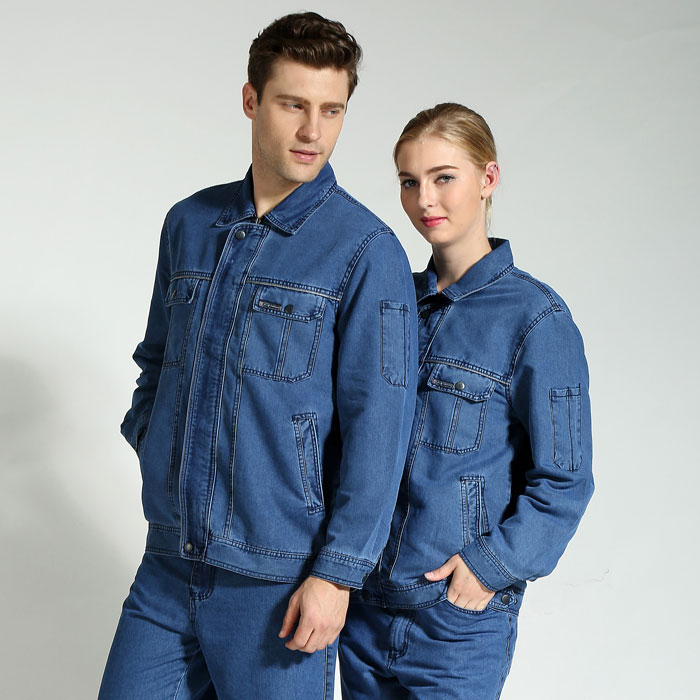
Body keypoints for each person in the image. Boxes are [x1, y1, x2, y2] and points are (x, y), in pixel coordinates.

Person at [99, 12, 417, 699]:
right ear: (251, 100)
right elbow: (157, 361)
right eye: (293, 105)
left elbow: (381, 427)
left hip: (280, 581)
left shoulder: (367, 251)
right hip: (169, 561)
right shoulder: (190, 222)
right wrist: (155, 443)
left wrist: (337, 574)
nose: (313, 131)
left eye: (332, 110)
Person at [339, 103, 594, 699]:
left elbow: (565, 481)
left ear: (488, 178)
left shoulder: (537, 320)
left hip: (455, 625)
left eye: (444, 177)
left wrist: (489, 568)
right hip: (364, 610)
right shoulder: (389, 304)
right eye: (409, 181)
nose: (425, 199)